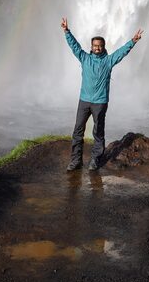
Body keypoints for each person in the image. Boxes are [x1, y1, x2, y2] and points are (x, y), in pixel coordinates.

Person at [61, 17, 143, 172]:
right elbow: (75, 46)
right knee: (78, 130)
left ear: (103, 47)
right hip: (84, 101)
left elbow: (121, 52)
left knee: (98, 132)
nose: (97, 48)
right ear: (91, 47)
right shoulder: (84, 58)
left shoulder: (108, 61)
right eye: (95, 46)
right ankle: (75, 161)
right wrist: (66, 31)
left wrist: (133, 41)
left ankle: (95, 160)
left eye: (100, 46)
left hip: (100, 102)